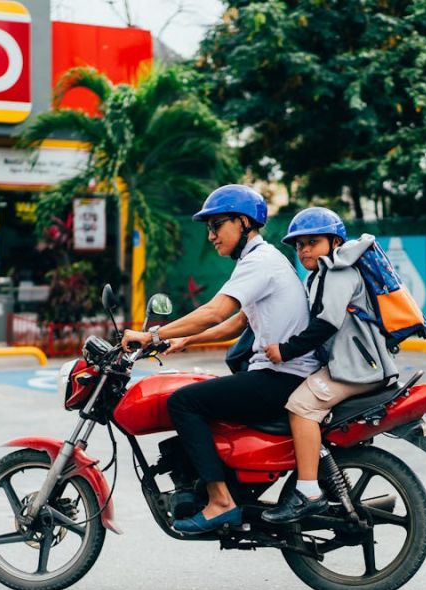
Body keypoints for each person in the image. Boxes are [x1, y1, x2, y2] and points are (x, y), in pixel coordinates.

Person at [121, 185, 319, 534]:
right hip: (281, 374)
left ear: (243, 222)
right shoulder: (262, 259)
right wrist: (184, 340)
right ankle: (218, 485)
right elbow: (238, 322)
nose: (211, 236)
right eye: (208, 228)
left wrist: (153, 335)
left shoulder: (260, 261)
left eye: (217, 225)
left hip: (281, 378)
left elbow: (216, 311)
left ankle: (221, 502)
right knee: (202, 395)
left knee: (183, 402)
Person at [260, 207, 399, 523]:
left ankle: (308, 491)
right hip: (351, 364)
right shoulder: (320, 274)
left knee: (300, 406)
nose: (304, 249)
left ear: (335, 242)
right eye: (299, 244)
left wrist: (286, 350)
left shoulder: (339, 271)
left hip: (360, 368)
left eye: (313, 241)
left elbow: (326, 323)